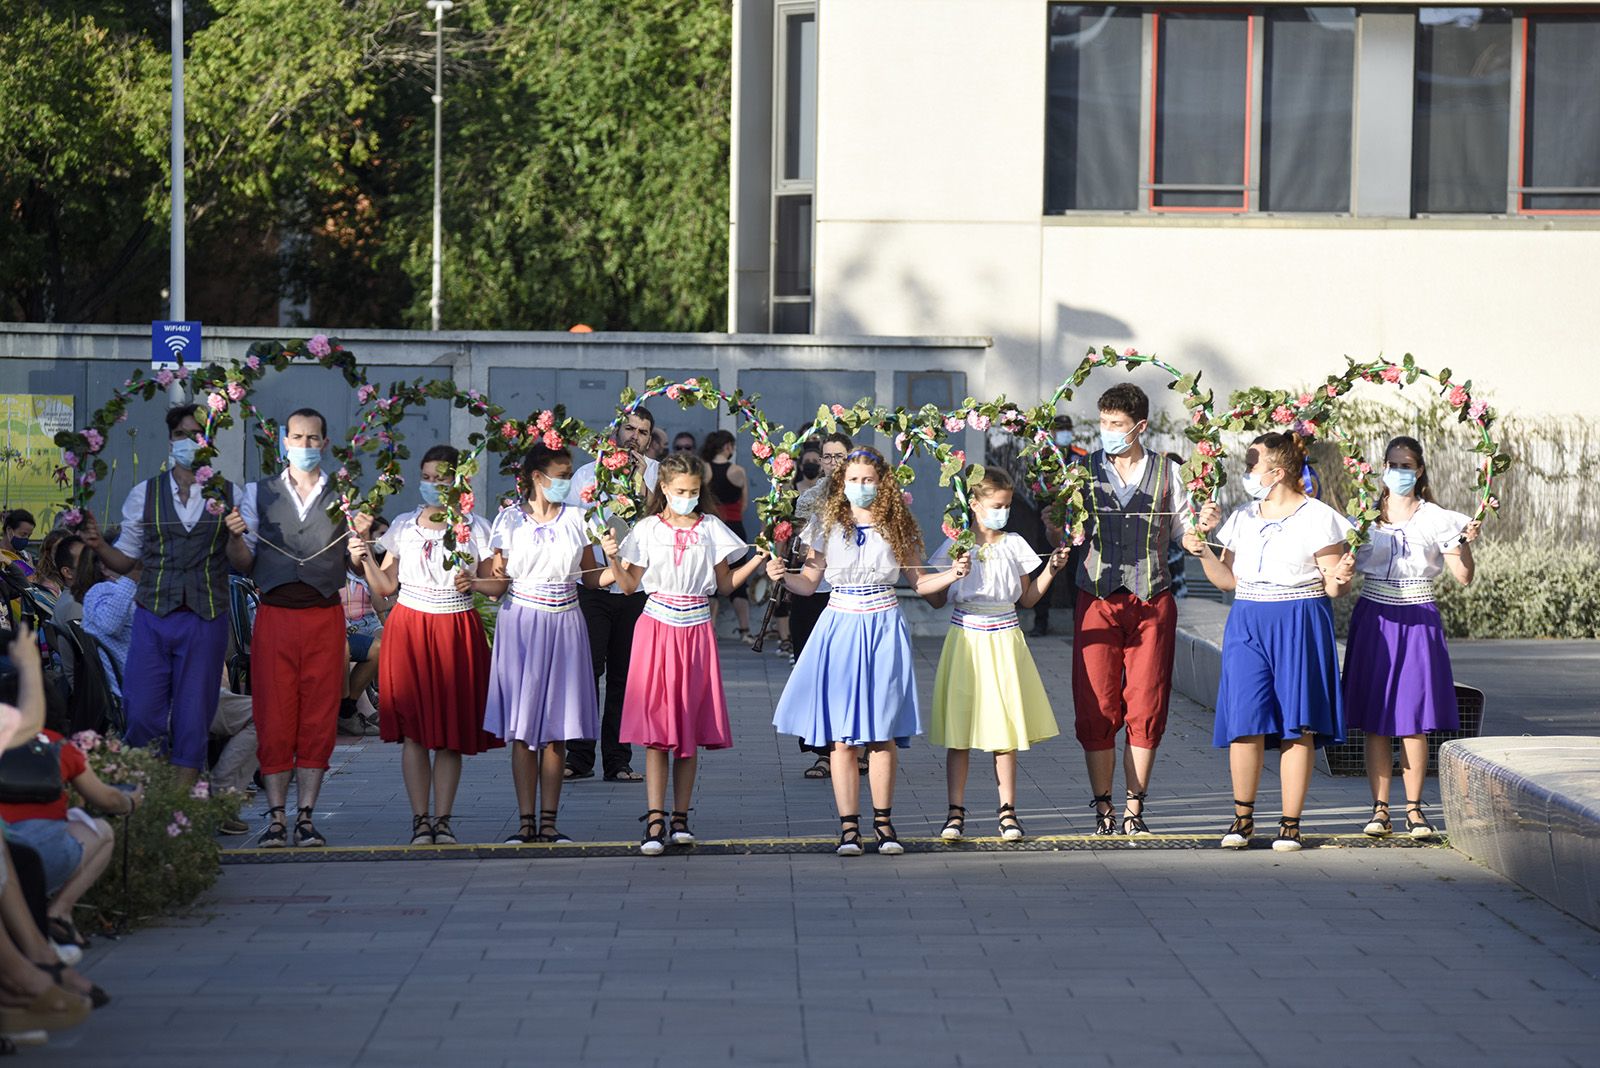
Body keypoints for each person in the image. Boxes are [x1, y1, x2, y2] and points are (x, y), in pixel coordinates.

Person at [768, 446, 946, 857]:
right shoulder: (824, 524)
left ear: (881, 482)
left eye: (868, 480)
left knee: (881, 734)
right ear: (841, 483)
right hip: (841, 626)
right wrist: (781, 576)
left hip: (883, 625)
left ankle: (884, 824)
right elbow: (809, 583)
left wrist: (953, 574)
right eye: (853, 480)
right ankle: (849, 828)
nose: (860, 487)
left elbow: (920, 582)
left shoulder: (896, 524)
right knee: (842, 739)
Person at [1184, 432, 1355, 852]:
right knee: (1245, 717)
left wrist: (1341, 579)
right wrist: (1203, 551)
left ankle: (1290, 823)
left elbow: (1334, 586)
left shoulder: (1319, 517)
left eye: (1251, 466)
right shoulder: (1241, 517)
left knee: (1297, 722)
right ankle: (1242, 819)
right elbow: (1228, 581)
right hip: (1247, 618)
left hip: (1300, 617)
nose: (1246, 474)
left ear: (1276, 472)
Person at [1071, 385, 1219, 837]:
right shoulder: (1081, 470)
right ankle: (1103, 809)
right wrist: (1057, 525)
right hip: (1096, 596)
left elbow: (1181, 532)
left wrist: (1198, 535)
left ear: (1139, 426)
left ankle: (1135, 808)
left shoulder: (1169, 472)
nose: (1108, 432)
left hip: (1152, 595)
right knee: (1096, 702)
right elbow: (1067, 528)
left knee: (1147, 701)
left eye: (1116, 425)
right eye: (1103, 423)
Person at [79, 406, 248, 787]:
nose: (189, 442)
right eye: (182, 435)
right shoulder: (145, 494)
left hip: (205, 617)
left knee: (193, 717)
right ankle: (149, 802)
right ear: (171, 440)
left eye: (198, 435)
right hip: (154, 615)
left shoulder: (230, 494)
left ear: (210, 443)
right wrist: (96, 546)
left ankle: (179, 815)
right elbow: (125, 558)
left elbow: (243, 561)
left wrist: (236, 535)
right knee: (142, 713)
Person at [611, 452, 768, 854]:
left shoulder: (712, 527)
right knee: (657, 733)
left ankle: (680, 816)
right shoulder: (646, 529)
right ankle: (654, 818)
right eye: (680, 491)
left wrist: (759, 560)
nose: (687, 498)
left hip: (696, 629)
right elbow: (629, 586)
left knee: (688, 728)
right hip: (657, 628)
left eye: (694, 492)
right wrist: (613, 553)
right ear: (663, 487)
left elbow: (726, 584)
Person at [351, 446, 498, 846]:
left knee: (449, 731)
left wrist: (476, 584)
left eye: (443, 478)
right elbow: (385, 588)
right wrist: (363, 556)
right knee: (415, 731)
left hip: (455, 629)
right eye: (428, 477)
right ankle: (420, 821)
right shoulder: (402, 525)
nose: (435, 485)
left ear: (459, 482)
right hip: (410, 629)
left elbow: (497, 585)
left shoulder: (477, 528)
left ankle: (444, 820)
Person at [229, 408, 359, 848]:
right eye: (298, 437)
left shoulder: (345, 494)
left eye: (313, 438)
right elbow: (244, 562)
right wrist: (233, 536)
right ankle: (277, 817)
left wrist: (360, 546)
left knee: (320, 715)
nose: (305, 445)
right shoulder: (257, 493)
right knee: (274, 714)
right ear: (284, 440)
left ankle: (306, 815)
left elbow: (355, 561)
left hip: (324, 615)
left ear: (324, 443)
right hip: (276, 614)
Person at [922, 469, 1070, 841]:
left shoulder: (1015, 544)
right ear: (974, 505)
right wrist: (952, 574)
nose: (1002, 512)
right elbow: (935, 599)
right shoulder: (956, 545)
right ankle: (955, 813)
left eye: (1006, 506)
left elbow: (1027, 598)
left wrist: (1051, 569)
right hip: (966, 637)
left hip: (1005, 637)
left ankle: (1008, 812)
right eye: (996, 505)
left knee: (1004, 729)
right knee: (961, 728)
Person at [1343, 436, 1479, 840]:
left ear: (1419, 471)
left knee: (1414, 718)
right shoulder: (1363, 517)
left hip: (1418, 616)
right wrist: (1343, 566)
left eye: (1406, 465)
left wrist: (1463, 544)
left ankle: (1415, 810)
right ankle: (1379, 809)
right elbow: (1343, 580)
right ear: (1382, 468)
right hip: (1375, 616)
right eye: (1392, 464)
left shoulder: (1438, 517)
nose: (1398, 472)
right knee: (1376, 718)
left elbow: (1463, 575)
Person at [479, 443, 601, 845]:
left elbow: (591, 577)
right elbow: (497, 585)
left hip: (566, 621)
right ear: (537, 477)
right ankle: (525, 822)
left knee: (557, 729)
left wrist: (622, 566)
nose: (566, 481)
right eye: (561, 474)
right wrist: (475, 581)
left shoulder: (579, 520)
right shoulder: (509, 520)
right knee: (522, 726)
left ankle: (549, 823)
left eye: (568, 474)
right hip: (522, 624)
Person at [566, 405, 659, 784]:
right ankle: (579, 755)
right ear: (615, 432)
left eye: (643, 432)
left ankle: (618, 759)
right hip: (595, 586)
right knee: (589, 670)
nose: (634, 436)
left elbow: (659, 521)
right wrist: (593, 576)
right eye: (629, 428)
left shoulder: (655, 475)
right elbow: (576, 529)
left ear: (650, 440)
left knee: (625, 674)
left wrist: (640, 481)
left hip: (637, 588)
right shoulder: (587, 475)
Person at [0, 728, 141, 954]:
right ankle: (58, 914)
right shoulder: (53, 743)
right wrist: (130, 802)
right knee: (102, 831)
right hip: (41, 861)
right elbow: (107, 799)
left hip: (7, 857)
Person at [787, 432, 851, 778]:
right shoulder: (810, 497)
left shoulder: (866, 496)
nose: (831, 464)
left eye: (839, 456)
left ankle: (859, 746)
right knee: (815, 672)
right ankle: (823, 751)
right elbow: (801, 550)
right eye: (826, 457)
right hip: (814, 591)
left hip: (851, 596)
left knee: (850, 675)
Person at [1031, 414, 1088, 636]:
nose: (1064, 432)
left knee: (1076, 572)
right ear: (1052, 432)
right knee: (1045, 568)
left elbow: (1084, 485)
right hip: (1047, 519)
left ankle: (1079, 622)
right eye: (1059, 428)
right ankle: (1040, 621)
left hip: (1074, 521)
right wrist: (1061, 489)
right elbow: (1036, 486)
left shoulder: (1080, 456)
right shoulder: (1043, 457)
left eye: (1067, 428)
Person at [699, 430, 755, 644]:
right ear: (727, 446)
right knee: (738, 578)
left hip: (712, 528)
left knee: (711, 578)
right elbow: (745, 504)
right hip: (735, 528)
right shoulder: (739, 471)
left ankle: (710, 627)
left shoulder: (704, 470)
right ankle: (745, 630)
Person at [339, 514, 390, 738]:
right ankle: (358, 709)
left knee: (385, 645)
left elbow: (381, 604)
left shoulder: (366, 563)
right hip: (339, 627)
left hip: (366, 622)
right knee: (345, 649)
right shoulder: (329, 566)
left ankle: (349, 709)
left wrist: (369, 565)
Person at [0, 511, 36, 576]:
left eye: (29, 535)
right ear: (9, 530)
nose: (26, 538)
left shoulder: (26, 557)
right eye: (23, 534)